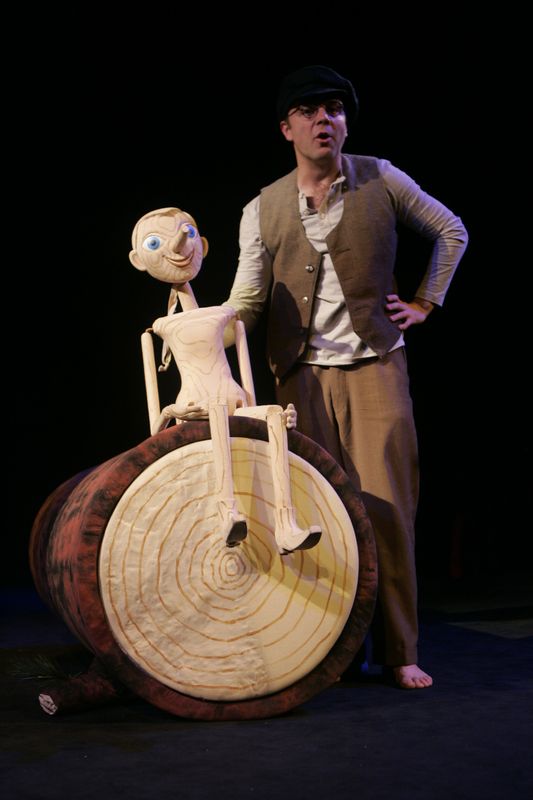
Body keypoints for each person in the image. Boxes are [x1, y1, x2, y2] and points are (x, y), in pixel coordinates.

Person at [223, 65, 468, 689]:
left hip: (375, 364)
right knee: (315, 514)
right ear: (287, 129)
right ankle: (329, 652)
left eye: (333, 109)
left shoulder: (381, 178)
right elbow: (247, 301)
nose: (323, 120)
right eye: (308, 112)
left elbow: (450, 230)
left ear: (345, 122)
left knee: (386, 509)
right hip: (300, 376)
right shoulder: (261, 208)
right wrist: (203, 327)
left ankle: (399, 650)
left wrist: (424, 302)